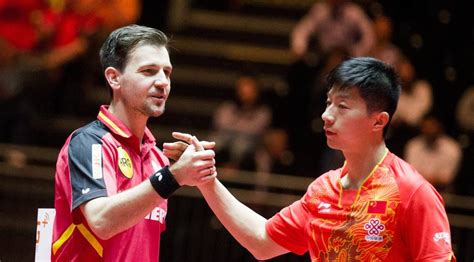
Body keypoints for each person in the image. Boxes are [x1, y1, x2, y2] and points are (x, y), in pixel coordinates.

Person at [171, 57, 455, 261]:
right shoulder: (322, 191)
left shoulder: (412, 193)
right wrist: (207, 180)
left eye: (343, 106)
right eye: (328, 103)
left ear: (378, 121)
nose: (326, 115)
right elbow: (261, 240)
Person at [52, 25, 217, 261]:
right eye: (149, 71)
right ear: (114, 78)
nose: (163, 82)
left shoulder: (158, 159)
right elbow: (101, 220)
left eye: (167, 72)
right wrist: (174, 176)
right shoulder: (89, 144)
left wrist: (193, 172)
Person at [405, 115, 462, 192]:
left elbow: (446, 179)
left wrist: (423, 179)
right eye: (426, 127)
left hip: (442, 192)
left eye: (432, 127)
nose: (429, 130)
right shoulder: (413, 145)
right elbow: (410, 174)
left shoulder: (452, 148)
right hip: (415, 190)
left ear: (440, 128)